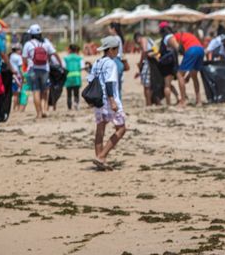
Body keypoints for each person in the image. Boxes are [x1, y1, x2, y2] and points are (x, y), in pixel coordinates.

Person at [87, 36, 127, 171]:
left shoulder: (97, 62)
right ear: (110, 50)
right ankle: (102, 156)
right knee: (121, 128)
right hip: (109, 100)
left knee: (100, 128)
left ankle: (100, 159)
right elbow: (110, 83)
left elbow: (90, 81)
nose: (117, 52)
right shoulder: (111, 63)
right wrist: (112, 101)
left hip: (98, 100)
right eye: (116, 49)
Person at [22, 24, 61, 118]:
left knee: (36, 91)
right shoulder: (46, 43)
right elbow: (55, 54)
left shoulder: (28, 44)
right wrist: (60, 64)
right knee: (45, 91)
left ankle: (38, 113)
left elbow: (24, 59)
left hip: (33, 70)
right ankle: (44, 110)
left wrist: (28, 65)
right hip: (45, 69)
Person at [164, 29, 205, 107]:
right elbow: (191, 67)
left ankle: (183, 101)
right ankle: (198, 101)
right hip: (201, 50)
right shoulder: (187, 34)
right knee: (194, 76)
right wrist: (188, 76)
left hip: (191, 49)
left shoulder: (170, 37)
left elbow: (178, 48)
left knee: (179, 75)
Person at [157, 22, 180, 106]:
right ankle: (175, 99)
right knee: (168, 84)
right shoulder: (169, 37)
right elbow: (177, 48)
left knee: (167, 84)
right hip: (170, 63)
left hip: (165, 64)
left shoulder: (164, 38)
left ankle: (169, 103)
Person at [133, 32, 156, 106]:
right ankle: (152, 102)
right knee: (150, 84)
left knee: (146, 86)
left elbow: (144, 51)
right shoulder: (149, 40)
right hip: (153, 63)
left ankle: (148, 103)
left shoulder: (143, 39)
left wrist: (140, 63)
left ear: (137, 38)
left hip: (148, 63)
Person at [64, 44, 84, 111]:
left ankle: (69, 107)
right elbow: (82, 67)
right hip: (77, 78)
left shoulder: (66, 58)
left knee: (69, 94)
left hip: (68, 78)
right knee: (76, 93)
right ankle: (76, 104)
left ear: (69, 50)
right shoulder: (79, 58)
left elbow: (63, 67)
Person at [9, 44, 23, 112]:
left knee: (14, 93)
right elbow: (21, 68)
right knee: (16, 94)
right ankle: (15, 108)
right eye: (19, 49)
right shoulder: (18, 57)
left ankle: (15, 107)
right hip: (17, 76)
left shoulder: (11, 56)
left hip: (12, 76)